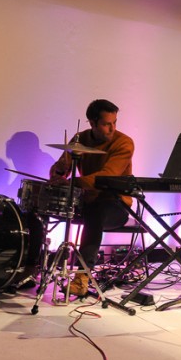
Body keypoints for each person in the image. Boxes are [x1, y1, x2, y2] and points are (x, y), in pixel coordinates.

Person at [49, 99, 134, 297]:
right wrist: (58, 172)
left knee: (95, 212)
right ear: (92, 123)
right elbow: (61, 168)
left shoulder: (124, 142)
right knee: (39, 205)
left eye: (115, 122)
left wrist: (74, 182)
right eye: (106, 124)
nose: (112, 128)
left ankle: (82, 278)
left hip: (116, 205)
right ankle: (28, 267)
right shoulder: (80, 138)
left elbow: (107, 176)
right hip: (87, 200)